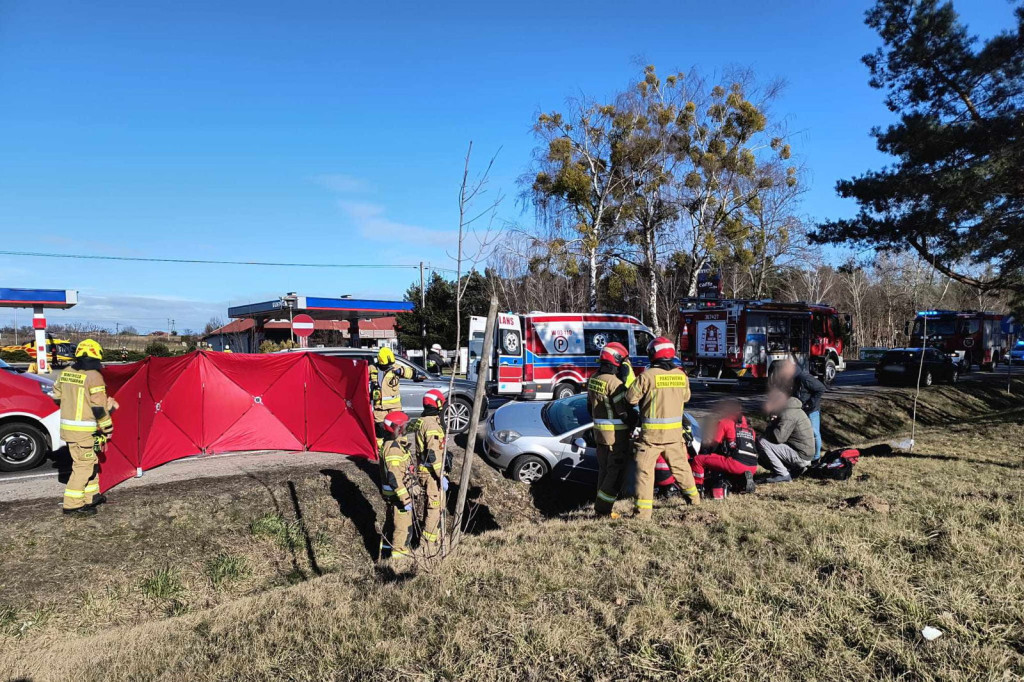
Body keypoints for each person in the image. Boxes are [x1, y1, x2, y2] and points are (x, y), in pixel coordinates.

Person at [626, 337, 700, 518]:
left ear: (653, 354)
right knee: (681, 468)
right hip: (674, 435)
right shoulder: (681, 376)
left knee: (644, 472)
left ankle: (642, 514)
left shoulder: (647, 376)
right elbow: (686, 398)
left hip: (651, 437)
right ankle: (695, 501)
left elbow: (630, 399)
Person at [51, 339, 115, 517]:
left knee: (90, 463)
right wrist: (107, 428)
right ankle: (73, 505)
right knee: (83, 467)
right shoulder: (94, 377)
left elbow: (56, 396)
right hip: (84, 431)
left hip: (69, 429)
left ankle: (91, 496)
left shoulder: (66, 372)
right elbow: (98, 408)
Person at [586, 341, 635, 517]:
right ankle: (603, 510)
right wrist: (634, 422)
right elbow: (623, 412)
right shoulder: (615, 384)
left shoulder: (593, 378)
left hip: (598, 433)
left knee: (604, 471)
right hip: (616, 435)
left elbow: (588, 406)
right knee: (615, 473)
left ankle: (600, 506)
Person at [691, 399, 758, 495]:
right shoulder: (750, 428)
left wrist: (708, 452)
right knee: (728, 461)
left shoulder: (725, 422)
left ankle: (698, 487)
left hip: (736, 463)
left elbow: (715, 444)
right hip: (753, 466)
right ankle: (740, 482)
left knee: (699, 460)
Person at [413, 389, 449, 546]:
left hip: (425, 470)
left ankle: (436, 536)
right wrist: (441, 476)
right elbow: (433, 456)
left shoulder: (423, 420)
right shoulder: (431, 425)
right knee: (434, 508)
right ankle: (427, 543)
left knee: (435, 505)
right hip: (431, 473)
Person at [757, 388, 816, 483]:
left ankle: (783, 474)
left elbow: (778, 438)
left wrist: (771, 424)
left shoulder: (787, 414)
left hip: (801, 456)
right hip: (806, 455)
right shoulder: (794, 409)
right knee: (762, 458)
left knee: (762, 441)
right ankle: (794, 469)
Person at [378, 411, 414, 560]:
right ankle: (399, 559)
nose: (405, 428)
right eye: (403, 426)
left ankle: (385, 556)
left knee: (390, 526)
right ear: (397, 428)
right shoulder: (393, 448)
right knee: (402, 528)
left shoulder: (390, 443)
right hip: (398, 497)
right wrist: (405, 498)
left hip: (392, 496)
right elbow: (394, 478)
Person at [772, 358, 825, 460]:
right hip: (799, 410)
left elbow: (821, 388)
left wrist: (810, 403)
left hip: (811, 410)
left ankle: (816, 457)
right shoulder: (790, 380)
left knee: (814, 432)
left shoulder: (804, 378)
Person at [369, 347, 413, 447]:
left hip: (395, 406)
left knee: (400, 427)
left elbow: (411, 373)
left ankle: (403, 446)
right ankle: (381, 449)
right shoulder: (372, 368)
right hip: (379, 407)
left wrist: (402, 371)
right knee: (380, 429)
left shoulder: (396, 367)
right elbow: (360, 375)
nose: (388, 366)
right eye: (386, 365)